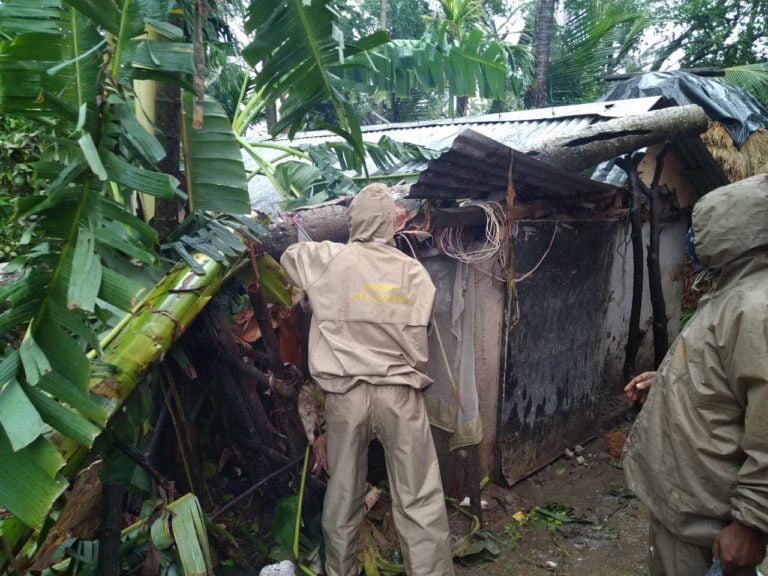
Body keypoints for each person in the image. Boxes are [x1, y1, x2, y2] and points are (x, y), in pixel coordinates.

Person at [280, 183, 455, 576]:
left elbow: (290, 256)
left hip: (346, 395)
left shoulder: (327, 259)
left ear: (355, 220)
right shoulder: (415, 272)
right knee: (419, 498)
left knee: (343, 494)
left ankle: (340, 571)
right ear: (392, 222)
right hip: (401, 396)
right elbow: (423, 328)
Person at [623, 174, 768, 576]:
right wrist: (671, 379)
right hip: (690, 507)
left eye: (700, 227)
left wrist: (751, 524)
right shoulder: (733, 291)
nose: (692, 239)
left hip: (715, 521)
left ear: (735, 230)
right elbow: (729, 378)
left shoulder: (756, 307)